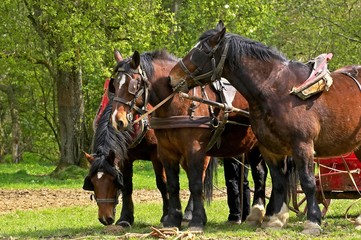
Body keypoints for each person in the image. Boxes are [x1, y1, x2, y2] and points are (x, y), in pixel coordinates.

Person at [223, 155, 250, 224]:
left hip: (232, 151)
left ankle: (235, 216)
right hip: (245, 150)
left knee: (232, 180)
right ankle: (246, 215)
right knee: (244, 182)